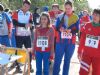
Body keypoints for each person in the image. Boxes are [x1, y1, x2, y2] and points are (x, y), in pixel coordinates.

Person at [53, 1, 79, 75]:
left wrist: (71, 30)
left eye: (69, 8)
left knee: (67, 61)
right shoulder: (60, 16)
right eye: (66, 8)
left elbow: (77, 29)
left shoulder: (76, 17)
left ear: (72, 8)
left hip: (71, 43)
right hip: (60, 42)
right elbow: (56, 27)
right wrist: (60, 29)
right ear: (64, 8)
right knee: (57, 61)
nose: (67, 10)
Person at [12, 0, 33, 73]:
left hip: (27, 35)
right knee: (18, 50)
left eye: (27, 7)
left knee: (29, 50)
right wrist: (24, 25)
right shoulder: (17, 12)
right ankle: (18, 66)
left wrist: (31, 24)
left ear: (29, 7)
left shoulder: (30, 13)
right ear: (22, 5)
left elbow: (31, 22)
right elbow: (14, 22)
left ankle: (29, 65)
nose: (25, 8)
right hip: (19, 35)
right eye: (24, 6)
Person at [78, 9, 100, 75]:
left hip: (97, 56)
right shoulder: (87, 25)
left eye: (97, 15)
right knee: (82, 72)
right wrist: (79, 50)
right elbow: (82, 40)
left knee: (96, 73)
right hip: (86, 54)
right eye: (94, 14)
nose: (95, 16)